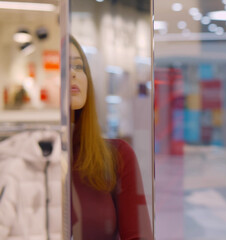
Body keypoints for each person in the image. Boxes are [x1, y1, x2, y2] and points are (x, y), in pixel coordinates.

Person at [69, 36, 153, 240]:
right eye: (63, 65)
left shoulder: (117, 156)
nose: (73, 74)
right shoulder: (21, 160)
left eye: (79, 67)